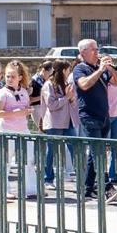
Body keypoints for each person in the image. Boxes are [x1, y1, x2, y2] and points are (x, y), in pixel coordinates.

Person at [70, 40, 116, 201]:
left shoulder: (100, 68)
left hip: (104, 116)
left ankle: (87, 188)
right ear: (83, 52)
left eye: (98, 50)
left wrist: (110, 69)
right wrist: (100, 70)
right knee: (99, 152)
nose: (97, 53)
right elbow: (83, 85)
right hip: (89, 117)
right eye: (93, 50)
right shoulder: (80, 68)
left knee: (94, 153)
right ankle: (105, 187)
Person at [0, 61, 35, 198]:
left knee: (28, 159)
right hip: (6, 129)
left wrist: (28, 111)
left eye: (13, 76)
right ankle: (4, 190)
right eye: (7, 76)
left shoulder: (23, 91)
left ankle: (29, 189)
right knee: (5, 161)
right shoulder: (2, 93)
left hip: (23, 129)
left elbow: (25, 108)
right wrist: (15, 113)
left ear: (20, 77)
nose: (10, 79)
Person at [39, 60, 77, 196]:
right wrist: (67, 97)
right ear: (62, 71)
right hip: (55, 123)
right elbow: (52, 105)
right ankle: (48, 178)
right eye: (67, 70)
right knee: (52, 151)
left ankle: (81, 176)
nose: (69, 73)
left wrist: (71, 99)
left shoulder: (66, 84)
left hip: (68, 121)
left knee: (75, 147)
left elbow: (71, 102)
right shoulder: (49, 85)